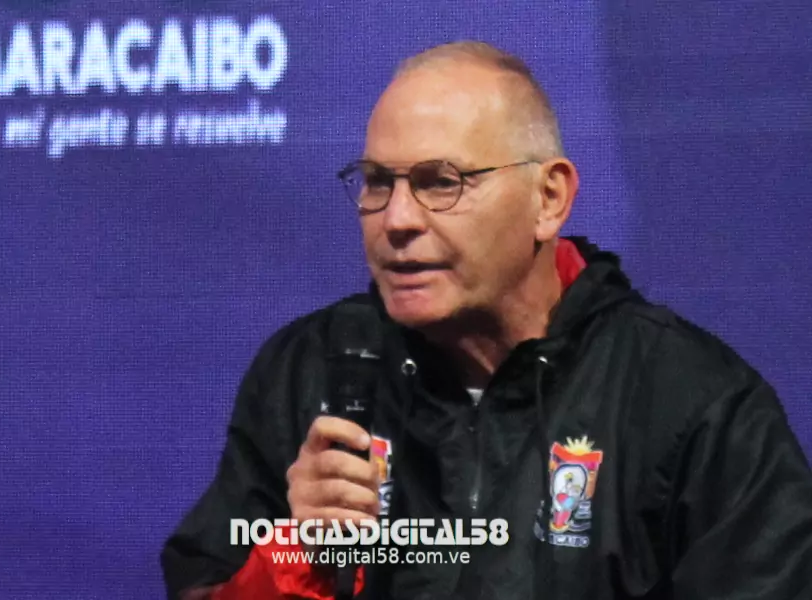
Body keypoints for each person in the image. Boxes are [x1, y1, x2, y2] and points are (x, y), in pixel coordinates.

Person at [160, 41, 812, 599]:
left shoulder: (693, 401)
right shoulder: (307, 373)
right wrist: (295, 557)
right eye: (378, 181)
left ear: (548, 198)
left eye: (440, 182)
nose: (397, 219)